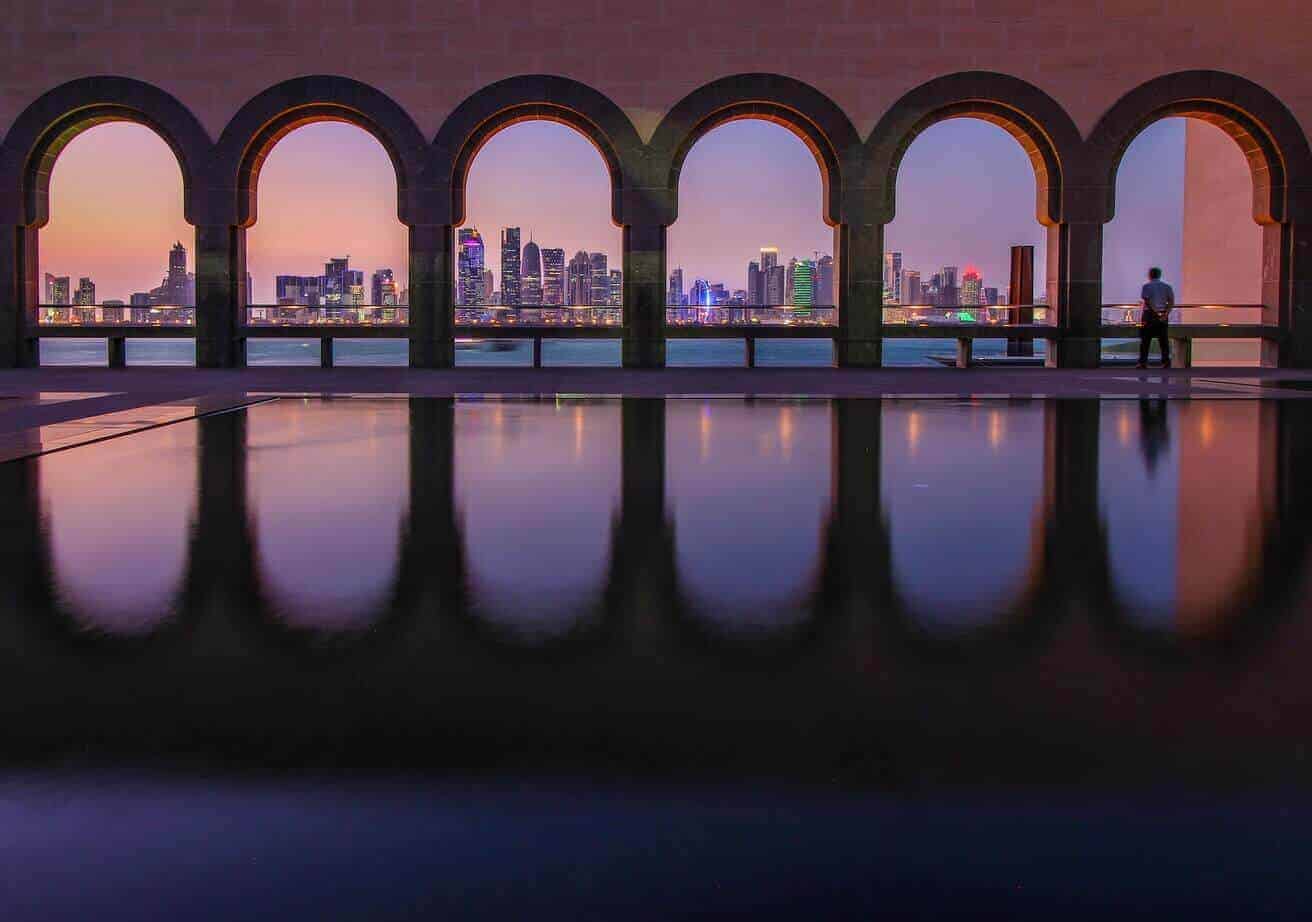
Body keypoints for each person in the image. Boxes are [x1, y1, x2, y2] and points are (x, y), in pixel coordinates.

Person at [1138, 267, 1175, 369]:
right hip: (1163, 314)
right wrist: (1165, 314)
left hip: (1149, 315)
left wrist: (1155, 312)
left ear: (1150, 275)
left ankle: (1143, 362)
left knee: (1145, 339)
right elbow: (1171, 302)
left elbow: (1147, 301)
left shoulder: (1146, 286)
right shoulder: (1167, 286)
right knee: (1163, 340)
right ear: (1159, 275)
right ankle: (1165, 362)